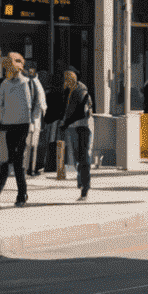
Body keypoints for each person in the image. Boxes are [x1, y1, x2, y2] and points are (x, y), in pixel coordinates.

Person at [0, 52, 44, 206]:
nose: (7, 68)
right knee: (10, 159)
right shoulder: (5, 84)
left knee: (18, 160)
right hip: (8, 126)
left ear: (19, 65)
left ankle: (22, 194)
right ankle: (13, 192)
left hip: (24, 126)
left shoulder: (29, 83)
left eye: (10, 64)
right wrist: (1, 118)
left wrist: (33, 121)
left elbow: (38, 103)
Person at [55, 66, 94, 200]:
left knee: (83, 158)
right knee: (78, 157)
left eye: (69, 78)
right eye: (65, 78)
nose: (66, 80)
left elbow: (79, 112)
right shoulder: (68, 91)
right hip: (73, 127)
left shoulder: (81, 91)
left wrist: (65, 123)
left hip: (83, 127)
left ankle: (85, 187)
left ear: (75, 78)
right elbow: (65, 109)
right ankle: (82, 183)